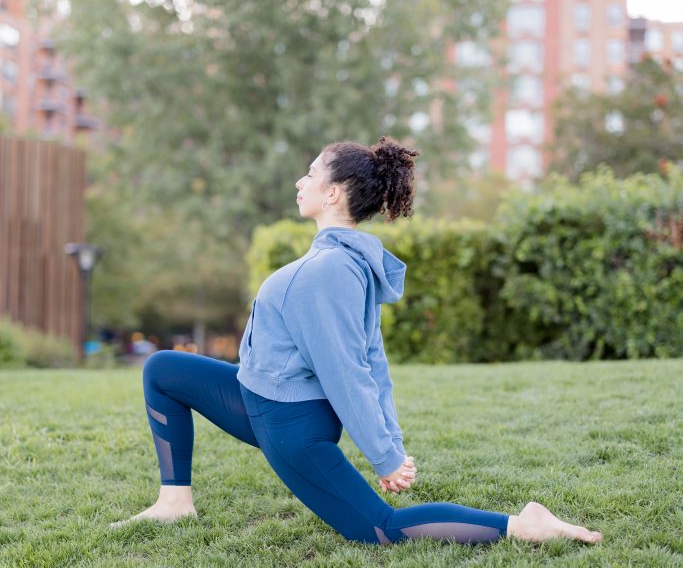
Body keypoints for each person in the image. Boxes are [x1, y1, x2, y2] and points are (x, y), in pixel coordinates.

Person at [113, 136, 602, 546]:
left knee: (379, 528)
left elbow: (349, 372)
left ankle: (522, 526)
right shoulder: (343, 263)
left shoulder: (326, 272)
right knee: (163, 370)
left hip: (288, 425)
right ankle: (175, 502)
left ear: (334, 193)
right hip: (257, 397)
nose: (299, 182)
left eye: (310, 174)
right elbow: (374, 360)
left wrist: (385, 455)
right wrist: (390, 443)